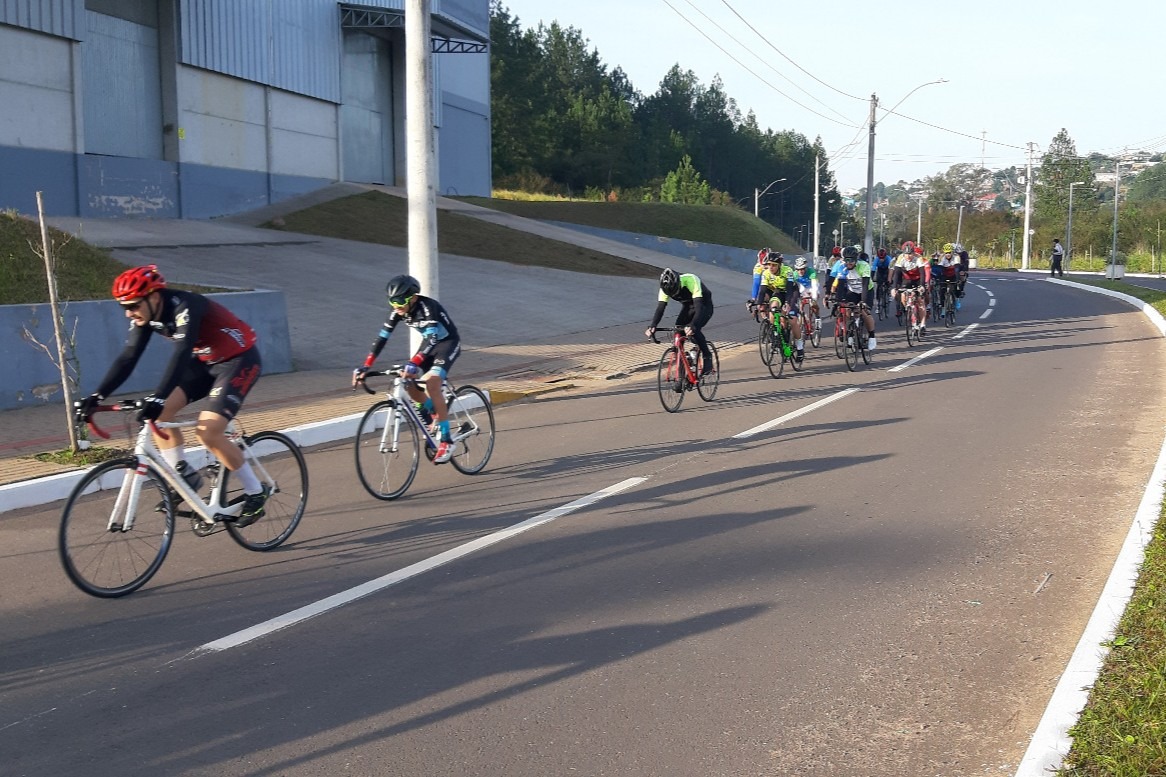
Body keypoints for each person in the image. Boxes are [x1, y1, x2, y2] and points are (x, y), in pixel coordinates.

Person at [74, 264, 269, 525]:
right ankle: (184, 475)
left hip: (238, 360)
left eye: (133, 306)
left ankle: (256, 492)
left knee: (208, 432)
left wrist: (158, 396)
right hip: (206, 362)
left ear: (154, 297)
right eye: (123, 308)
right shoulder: (146, 315)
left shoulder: (185, 305)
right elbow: (129, 356)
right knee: (160, 415)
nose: (129, 313)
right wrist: (97, 396)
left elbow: (182, 351)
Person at [353, 274, 462, 464]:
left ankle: (446, 441)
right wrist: (366, 365)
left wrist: (414, 362)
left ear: (413, 297)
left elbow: (432, 339)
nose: (396, 306)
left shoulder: (428, 307)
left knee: (432, 384)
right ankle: (433, 412)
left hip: (447, 344)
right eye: (392, 301)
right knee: (408, 382)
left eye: (400, 301)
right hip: (429, 347)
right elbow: (382, 338)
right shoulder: (397, 311)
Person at [646, 267, 715, 380]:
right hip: (688, 306)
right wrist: (653, 326)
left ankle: (707, 356)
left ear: (679, 283)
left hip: (704, 305)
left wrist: (693, 325)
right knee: (678, 330)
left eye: (675, 291)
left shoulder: (691, 280)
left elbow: (699, 307)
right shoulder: (664, 288)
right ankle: (682, 370)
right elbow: (660, 308)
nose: (674, 294)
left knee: (694, 330)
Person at [755, 252, 805, 363]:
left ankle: (800, 347)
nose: (771, 267)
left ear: (779, 265)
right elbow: (762, 291)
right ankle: (777, 336)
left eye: (774, 265)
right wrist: (759, 304)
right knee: (773, 309)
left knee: (792, 320)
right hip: (778, 293)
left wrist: (787, 303)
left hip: (791, 293)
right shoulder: (766, 273)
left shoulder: (787, 271)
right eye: (769, 264)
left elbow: (789, 289)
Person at [829, 246, 877, 350]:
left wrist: (863, 302)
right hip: (853, 291)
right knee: (847, 309)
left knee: (864, 311)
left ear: (856, 260)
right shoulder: (842, 267)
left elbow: (865, 285)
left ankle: (872, 336)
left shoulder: (863, 266)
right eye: (847, 260)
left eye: (852, 261)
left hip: (866, 290)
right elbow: (841, 285)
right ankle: (850, 332)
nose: (849, 263)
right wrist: (838, 301)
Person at [892, 246, 931, 335]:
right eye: (906, 254)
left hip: (918, 279)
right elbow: (897, 274)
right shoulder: (900, 258)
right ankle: (910, 309)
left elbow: (922, 273)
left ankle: (922, 324)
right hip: (907, 279)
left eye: (910, 254)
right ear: (903, 254)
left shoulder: (918, 258)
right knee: (903, 297)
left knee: (920, 301)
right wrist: (894, 288)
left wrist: (922, 286)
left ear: (913, 254)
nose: (908, 256)